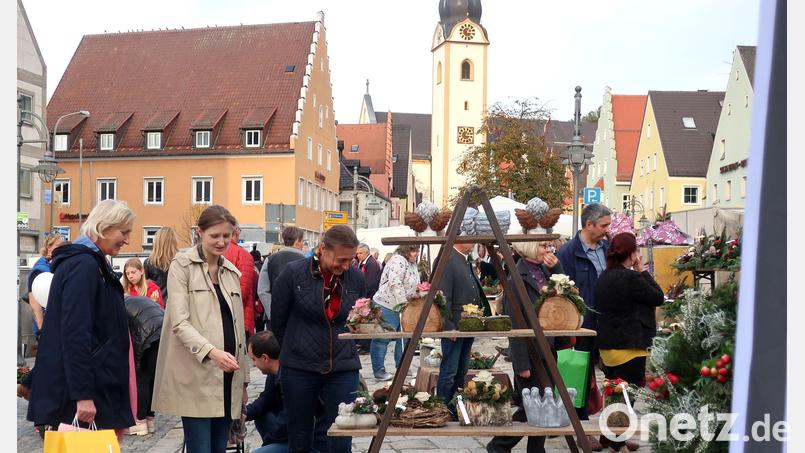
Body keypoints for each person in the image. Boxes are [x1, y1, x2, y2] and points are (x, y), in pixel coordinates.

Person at [27, 199, 137, 441]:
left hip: (96, 386)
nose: (128, 240)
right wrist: (83, 394)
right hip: (86, 394)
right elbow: (75, 333)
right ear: (104, 227)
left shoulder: (91, 263)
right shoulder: (84, 265)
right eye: (124, 232)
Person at [152, 205, 250, 453]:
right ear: (200, 232)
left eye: (226, 236)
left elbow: (239, 329)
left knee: (220, 448)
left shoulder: (231, 272)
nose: (221, 242)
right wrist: (212, 353)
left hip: (228, 374)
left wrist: (244, 381)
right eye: (215, 236)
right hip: (197, 373)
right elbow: (179, 322)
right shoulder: (182, 265)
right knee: (200, 448)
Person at [271, 225, 365, 453]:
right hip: (299, 368)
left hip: (342, 366)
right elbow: (278, 320)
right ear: (323, 248)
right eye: (341, 260)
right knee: (300, 436)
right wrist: (295, 348)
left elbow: (358, 316)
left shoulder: (356, 278)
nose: (346, 266)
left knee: (341, 436)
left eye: (351, 260)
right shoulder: (293, 274)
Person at [486, 239, 569, 453]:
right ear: (529, 247)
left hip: (548, 348)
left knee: (543, 402)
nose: (548, 250)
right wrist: (521, 363)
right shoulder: (517, 278)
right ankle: (499, 446)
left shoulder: (544, 271)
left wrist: (557, 269)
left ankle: (533, 449)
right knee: (530, 406)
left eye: (549, 245)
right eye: (543, 245)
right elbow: (515, 324)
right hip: (530, 352)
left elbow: (566, 295)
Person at [595, 233, 664, 453]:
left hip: (608, 347)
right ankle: (617, 446)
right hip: (629, 347)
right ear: (632, 253)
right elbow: (658, 297)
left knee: (614, 396)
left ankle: (612, 439)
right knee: (626, 399)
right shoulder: (632, 278)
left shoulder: (604, 277)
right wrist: (642, 271)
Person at [555, 202, 611, 451]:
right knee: (580, 376)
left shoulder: (607, 248)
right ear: (589, 225)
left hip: (608, 322)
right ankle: (581, 430)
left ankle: (615, 433)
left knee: (614, 377)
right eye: (604, 225)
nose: (608, 230)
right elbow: (562, 290)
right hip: (582, 325)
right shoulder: (567, 253)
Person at [436, 242, 488, 413]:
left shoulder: (464, 259)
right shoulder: (449, 258)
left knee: (461, 370)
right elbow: (443, 296)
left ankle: (455, 406)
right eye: (469, 237)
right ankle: (443, 408)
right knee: (449, 371)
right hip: (455, 325)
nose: (473, 242)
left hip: (467, 325)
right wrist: (448, 326)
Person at [370, 244, 420, 381]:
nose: (416, 253)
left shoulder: (412, 263)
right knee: (382, 338)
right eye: (413, 250)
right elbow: (395, 283)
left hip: (404, 305)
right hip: (387, 304)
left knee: (404, 337)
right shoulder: (398, 260)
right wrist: (402, 303)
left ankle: (402, 366)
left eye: (417, 250)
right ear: (406, 250)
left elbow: (413, 282)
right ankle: (379, 370)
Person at [124, 295, 164, 436]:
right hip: (163, 330)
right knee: (151, 378)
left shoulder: (119, 306)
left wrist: (136, 360)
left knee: (141, 379)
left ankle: (139, 422)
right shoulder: (134, 300)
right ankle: (149, 419)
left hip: (150, 335)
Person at [257, 226, 305, 330]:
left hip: (274, 319)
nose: (303, 245)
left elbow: (262, 290)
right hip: (299, 321)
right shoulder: (307, 262)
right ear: (297, 242)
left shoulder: (270, 259)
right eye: (302, 241)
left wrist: (272, 313)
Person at [27, 234, 64, 340]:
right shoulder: (41, 268)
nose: (61, 248)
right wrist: (42, 329)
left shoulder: (52, 264)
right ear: (49, 247)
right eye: (57, 245)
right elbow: (34, 300)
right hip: (44, 325)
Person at [224, 225, 257, 338]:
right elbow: (243, 291)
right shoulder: (243, 255)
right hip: (240, 318)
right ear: (236, 232)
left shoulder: (211, 254)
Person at [144, 226, 178, 306]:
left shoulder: (149, 263)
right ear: (174, 242)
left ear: (157, 242)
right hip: (176, 305)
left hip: (156, 306)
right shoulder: (180, 261)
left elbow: (143, 288)